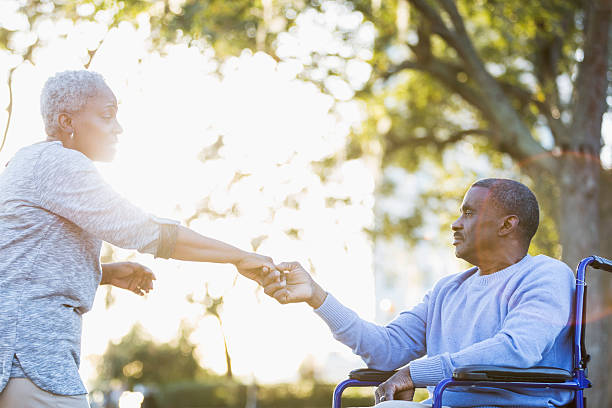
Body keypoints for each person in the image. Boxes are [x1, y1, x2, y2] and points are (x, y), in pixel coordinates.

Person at [0, 70, 277, 408]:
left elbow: (18, 269)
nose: (118, 127)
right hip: (31, 361)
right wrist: (238, 257)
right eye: (106, 115)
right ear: (66, 120)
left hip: (21, 362)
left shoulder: (26, 162)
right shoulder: (59, 163)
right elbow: (145, 231)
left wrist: (105, 273)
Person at [262, 179, 575, 407]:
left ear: (507, 225)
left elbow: (517, 349)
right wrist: (316, 296)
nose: (455, 224)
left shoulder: (547, 274)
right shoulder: (448, 290)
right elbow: (386, 349)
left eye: (468, 213)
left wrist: (416, 372)